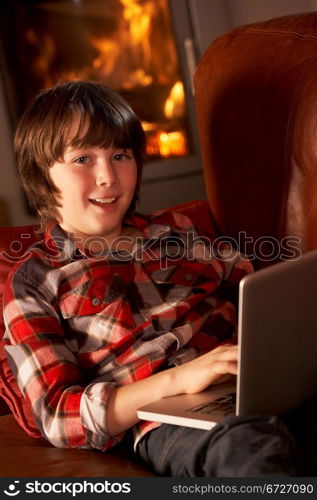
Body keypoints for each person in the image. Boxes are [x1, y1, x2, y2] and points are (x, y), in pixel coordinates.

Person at [2, 81, 307, 476]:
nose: (108, 176)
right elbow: (58, 416)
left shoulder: (175, 230)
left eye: (120, 155)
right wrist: (179, 380)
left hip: (247, 384)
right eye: (83, 159)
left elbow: (260, 292)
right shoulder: (36, 281)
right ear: (42, 175)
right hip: (170, 422)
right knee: (247, 451)